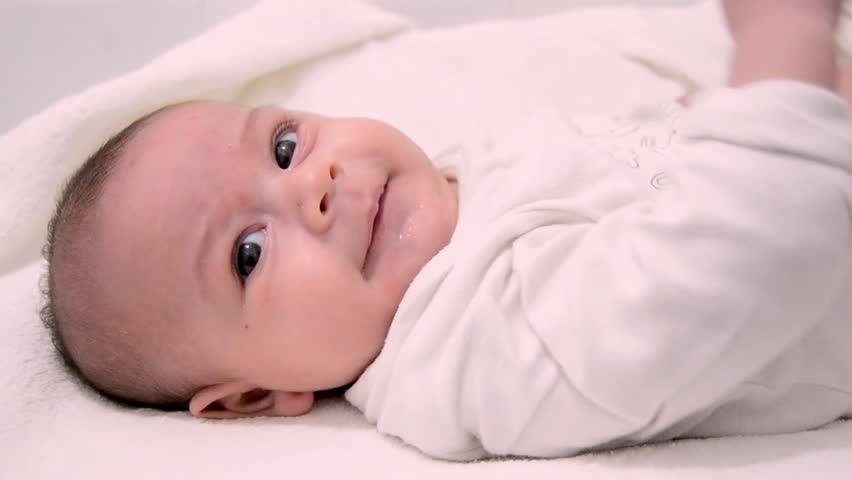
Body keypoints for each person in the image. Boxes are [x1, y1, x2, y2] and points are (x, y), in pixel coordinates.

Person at [41, 0, 852, 460]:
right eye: (247, 254)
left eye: (285, 147)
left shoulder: (460, 180)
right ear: (255, 395)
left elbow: (635, 167)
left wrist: (707, 118)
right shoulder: (471, 351)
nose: (313, 189)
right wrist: (786, 42)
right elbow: (738, 256)